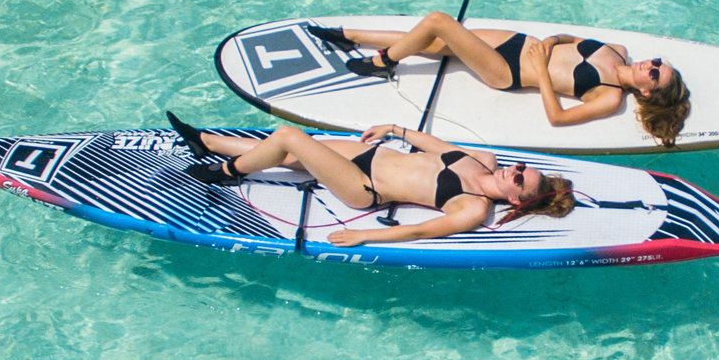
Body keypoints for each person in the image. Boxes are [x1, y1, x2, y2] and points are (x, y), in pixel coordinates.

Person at [164, 111, 576, 247]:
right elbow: (434, 143)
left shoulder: (472, 206)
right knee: (288, 154)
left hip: (364, 188)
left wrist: (366, 237)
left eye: (520, 179)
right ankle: (204, 140)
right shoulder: (483, 159)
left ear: (517, 200)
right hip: (370, 154)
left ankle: (222, 172)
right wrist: (395, 130)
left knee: (292, 137)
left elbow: (422, 230)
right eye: (522, 167)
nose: (516, 170)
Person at [311, 14, 692, 146]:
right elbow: (568, 39)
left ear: (646, 91)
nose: (652, 64)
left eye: (656, 74)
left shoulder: (610, 96)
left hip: (507, 71)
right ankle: (352, 35)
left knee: (439, 23)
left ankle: (383, 61)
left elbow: (557, 118)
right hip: (518, 42)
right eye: (658, 62)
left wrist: (541, 70)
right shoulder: (618, 49)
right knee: (438, 43)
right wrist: (550, 42)